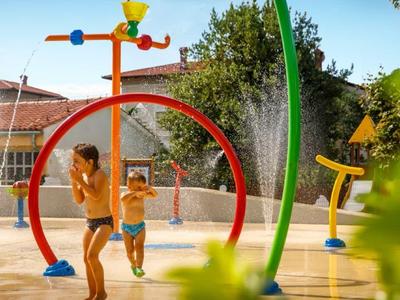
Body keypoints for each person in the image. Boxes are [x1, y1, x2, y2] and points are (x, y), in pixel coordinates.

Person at [68, 143, 112, 300]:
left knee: (92, 256)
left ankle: (101, 293)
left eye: (77, 160)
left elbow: (95, 195)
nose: (73, 164)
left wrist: (79, 180)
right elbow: (79, 200)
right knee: (86, 259)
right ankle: (92, 293)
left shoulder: (99, 175)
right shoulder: (84, 177)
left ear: (90, 162)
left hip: (104, 222)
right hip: (90, 222)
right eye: (73, 161)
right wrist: (75, 181)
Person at [121, 171, 158, 278]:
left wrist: (149, 188)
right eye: (138, 187)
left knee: (139, 247)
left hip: (140, 227)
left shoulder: (142, 196)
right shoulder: (125, 194)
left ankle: (139, 267)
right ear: (129, 186)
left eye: (141, 187)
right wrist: (134, 193)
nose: (140, 190)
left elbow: (155, 195)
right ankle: (133, 265)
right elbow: (123, 199)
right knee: (129, 251)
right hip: (126, 228)